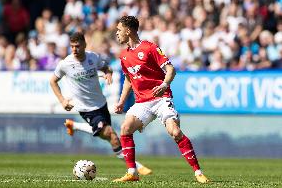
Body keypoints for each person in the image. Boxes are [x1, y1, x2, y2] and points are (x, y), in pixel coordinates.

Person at [113, 16, 209, 183]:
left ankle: (198, 172)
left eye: (119, 30)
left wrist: (165, 84)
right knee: (125, 128)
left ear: (128, 31)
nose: (117, 33)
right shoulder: (124, 56)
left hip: (161, 98)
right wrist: (121, 101)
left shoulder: (150, 48)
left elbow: (171, 69)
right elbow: (129, 79)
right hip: (142, 102)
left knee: (175, 132)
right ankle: (132, 172)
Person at [49, 32, 152, 176]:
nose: (74, 50)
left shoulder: (93, 57)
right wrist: (62, 100)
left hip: (101, 105)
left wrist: (108, 73)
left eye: (77, 46)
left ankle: (74, 125)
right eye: (72, 47)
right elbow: (52, 81)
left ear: (84, 45)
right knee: (112, 136)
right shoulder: (65, 64)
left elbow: (105, 67)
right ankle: (136, 167)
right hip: (86, 109)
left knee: (103, 134)